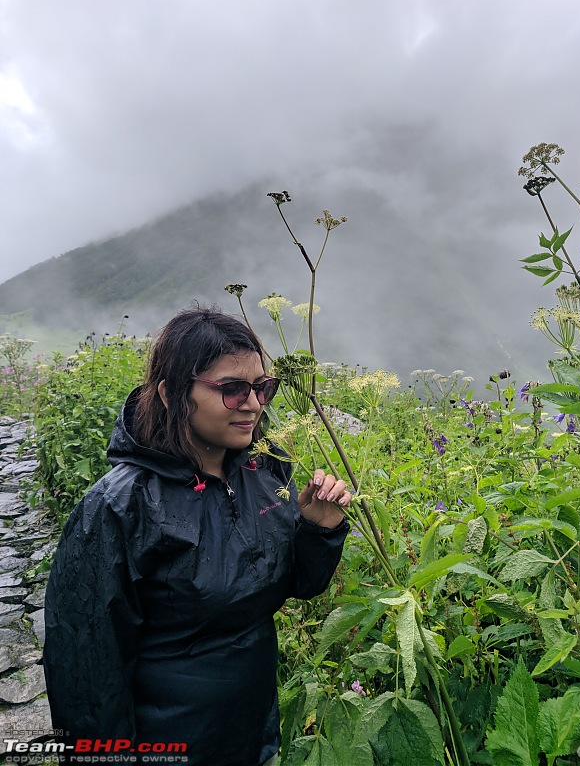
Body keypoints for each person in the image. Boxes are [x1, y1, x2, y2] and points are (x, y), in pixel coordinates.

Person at [43, 306, 350, 766]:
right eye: (231, 389)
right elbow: (85, 665)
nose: (254, 403)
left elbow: (298, 587)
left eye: (263, 387)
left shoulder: (262, 471)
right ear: (171, 393)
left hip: (253, 735)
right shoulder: (121, 506)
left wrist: (317, 529)